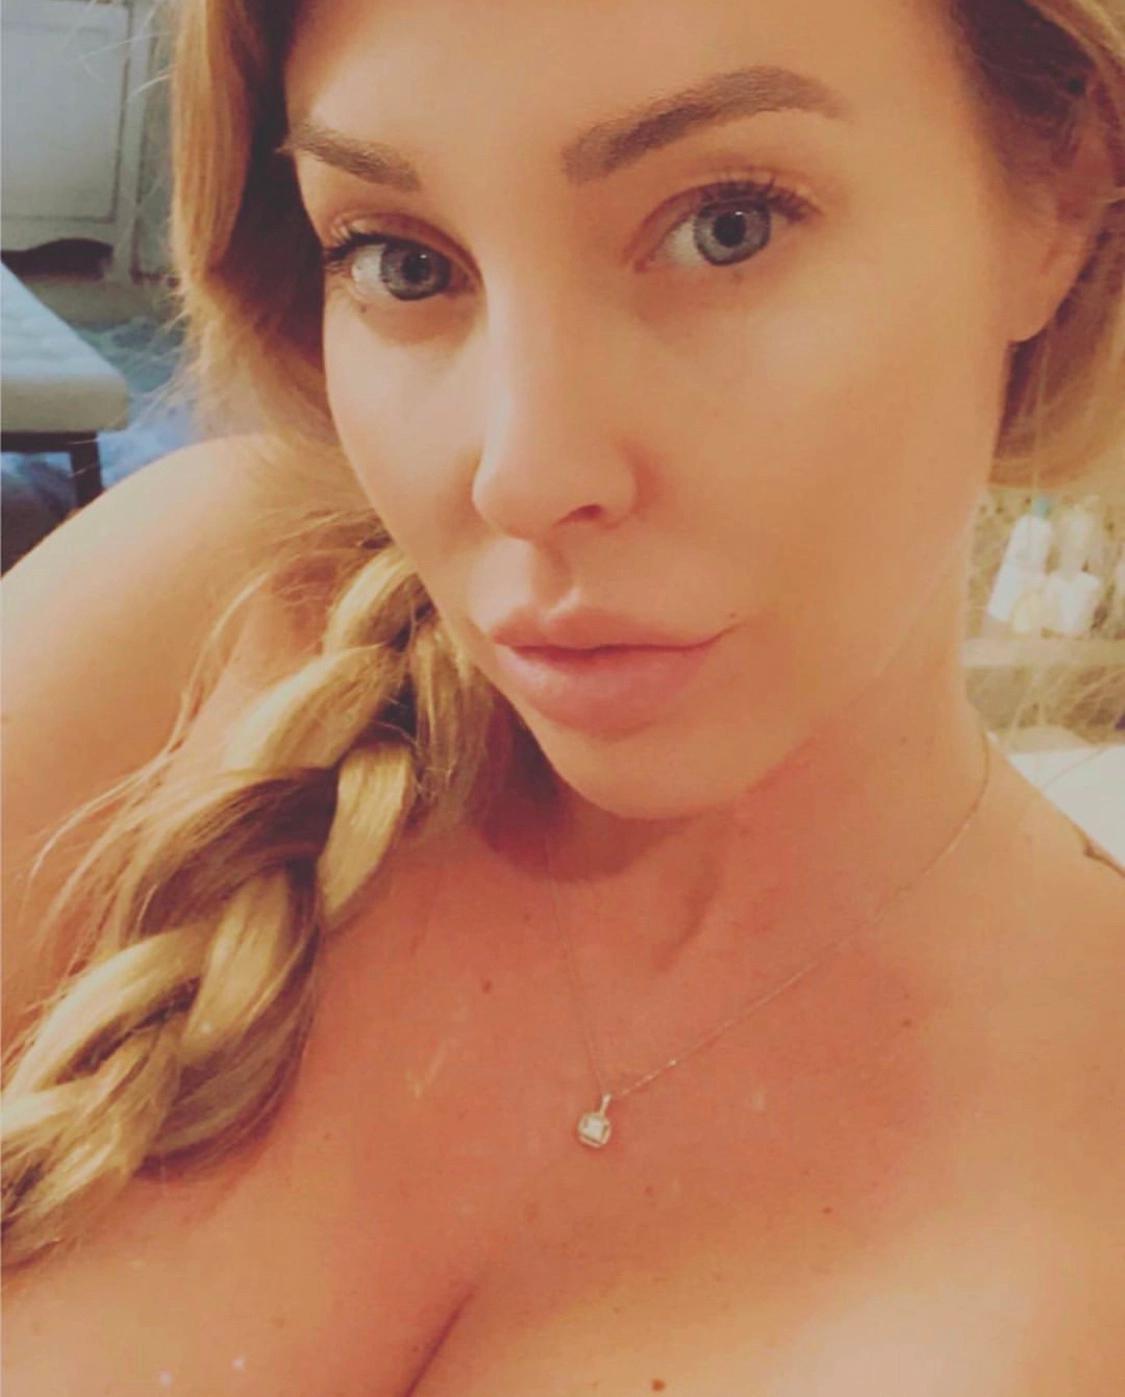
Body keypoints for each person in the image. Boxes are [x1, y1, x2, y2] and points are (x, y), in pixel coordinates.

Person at [3, 0, 1124, 1390]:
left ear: (1061, 193)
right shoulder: (198, 623)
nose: (520, 475)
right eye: (402, 260)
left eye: (726, 227)